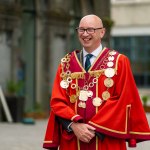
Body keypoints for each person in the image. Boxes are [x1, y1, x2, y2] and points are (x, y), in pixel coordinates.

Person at [43, 14, 150, 150]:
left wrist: (94, 128)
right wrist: (74, 125)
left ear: (102, 32)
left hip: (107, 139)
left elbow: (123, 100)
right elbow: (57, 101)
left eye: (90, 30)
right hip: (73, 139)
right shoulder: (66, 63)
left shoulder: (119, 62)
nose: (85, 34)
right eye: (81, 30)